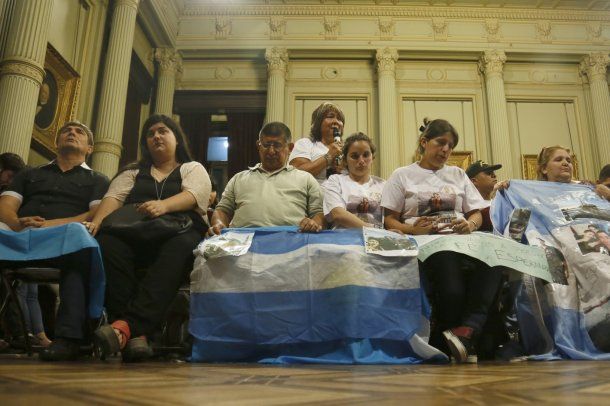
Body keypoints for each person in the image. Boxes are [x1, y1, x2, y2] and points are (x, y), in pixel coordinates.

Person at [87, 114, 211, 362]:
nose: (156, 136)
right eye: (150, 133)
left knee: (181, 246)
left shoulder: (192, 168)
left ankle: (125, 328)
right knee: (108, 244)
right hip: (135, 234)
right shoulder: (132, 172)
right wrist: (97, 222)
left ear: (177, 138)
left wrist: (164, 206)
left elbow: (195, 195)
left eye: (163, 131)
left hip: (179, 233)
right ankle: (136, 336)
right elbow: (114, 199)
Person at [381, 118, 501, 363]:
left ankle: (466, 331)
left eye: (451, 145)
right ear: (425, 142)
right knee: (452, 283)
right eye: (441, 142)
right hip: (427, 241)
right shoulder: (402, 175)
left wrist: (471, 224)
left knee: (497, 255)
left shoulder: (457, 174)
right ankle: (459, 336)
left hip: (461, 237)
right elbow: (389, 221)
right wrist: (412, 230)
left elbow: (476, 211)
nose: (446, 149)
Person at [0, 121, 109, 361]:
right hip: (20, 235)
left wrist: (52, 224)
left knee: (81, 240)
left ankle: (69, 337)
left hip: (64, 238)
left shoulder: (97, 179)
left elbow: (93, 215)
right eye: (66, 131)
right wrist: (17, 223)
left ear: (89, 148)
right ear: (56, 142)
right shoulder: (29, 173)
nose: (71, 132)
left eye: (79, 132)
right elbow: (6, 206)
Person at [209, 121, 324, 234]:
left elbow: (318, 214)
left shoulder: (306, 179)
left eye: (277, 145)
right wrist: (218, 224)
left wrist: (313, 223)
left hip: (291, 244)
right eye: (266, 145)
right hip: (242, 244)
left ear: (290, 148)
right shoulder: (238, 179)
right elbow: (222, 210)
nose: (271, 151)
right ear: (258, 145)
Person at [322, 132, 384, 229]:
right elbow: (338, 214)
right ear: (345, 160)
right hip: (344, 240)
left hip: (378, 240)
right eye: (355, 156)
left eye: (366, 155)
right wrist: (375, 229)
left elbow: (391, 218)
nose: (361, 161)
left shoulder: (383, 184)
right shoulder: (335, 180)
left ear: (373, 158)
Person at [288, 102, 344, 183]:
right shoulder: (305, 143)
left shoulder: (347, 149)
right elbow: (296, 174)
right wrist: (328, 157)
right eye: (330, 116)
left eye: (339, 119)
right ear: (318, 123)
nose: (336, 121)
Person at [466, 160, 502, 232]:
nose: (494, 175)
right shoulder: (467, 207)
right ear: (473, 181)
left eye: (493, 173)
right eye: (488, 173)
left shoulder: (502, 203)